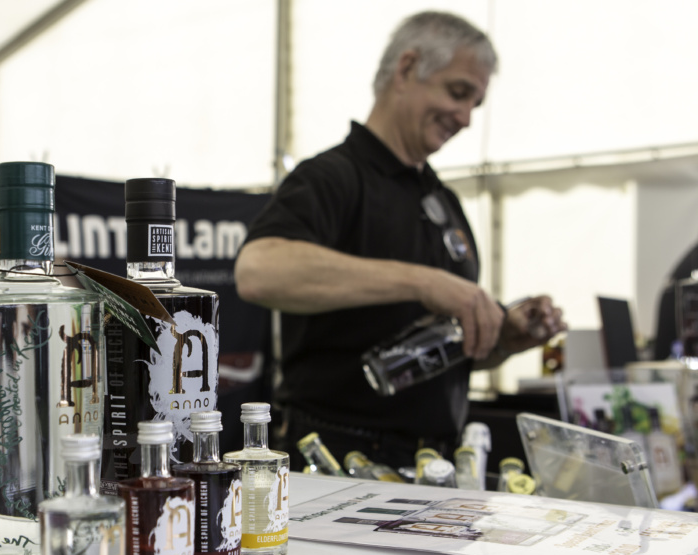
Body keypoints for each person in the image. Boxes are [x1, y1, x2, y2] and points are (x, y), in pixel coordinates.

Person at [234, 10, 566, 472]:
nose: (466, 118)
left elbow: (438, 351)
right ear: (407, 69)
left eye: (476, 103)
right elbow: (259, 271)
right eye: (458, 92)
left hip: (436, 466)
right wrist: (424, 282)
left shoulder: (442, 200)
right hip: (336, 463)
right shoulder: (332, 178)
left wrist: (502, 336)